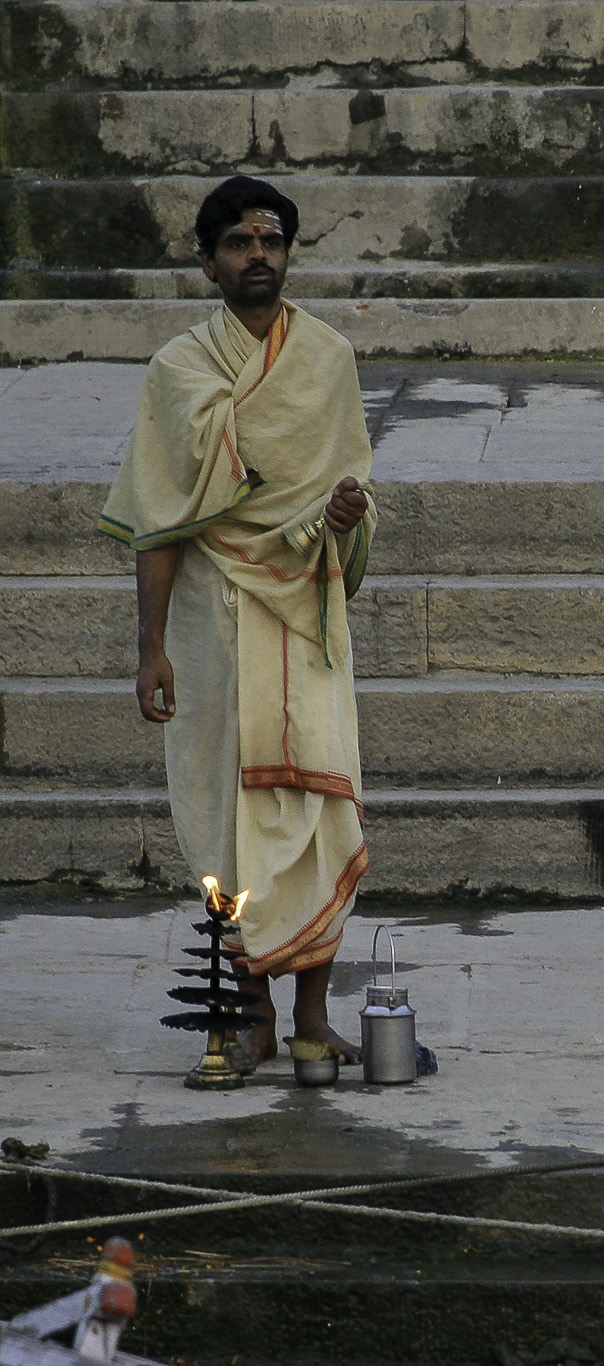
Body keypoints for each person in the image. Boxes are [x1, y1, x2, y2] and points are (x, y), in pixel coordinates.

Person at [99, 176, 378, 1065]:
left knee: (318, 804)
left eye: (271, 241)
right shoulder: (179, 372)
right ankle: (249, 1015)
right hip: (211, 625)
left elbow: (351, 492)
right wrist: (149, 651)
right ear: (207, 261)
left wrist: (341, 519)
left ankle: (311, 1021)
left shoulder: (328, 360)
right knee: (231, 815)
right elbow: (157, 517)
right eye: (239, 243)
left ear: (289, 253)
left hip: (306, 611)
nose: (258, 256)